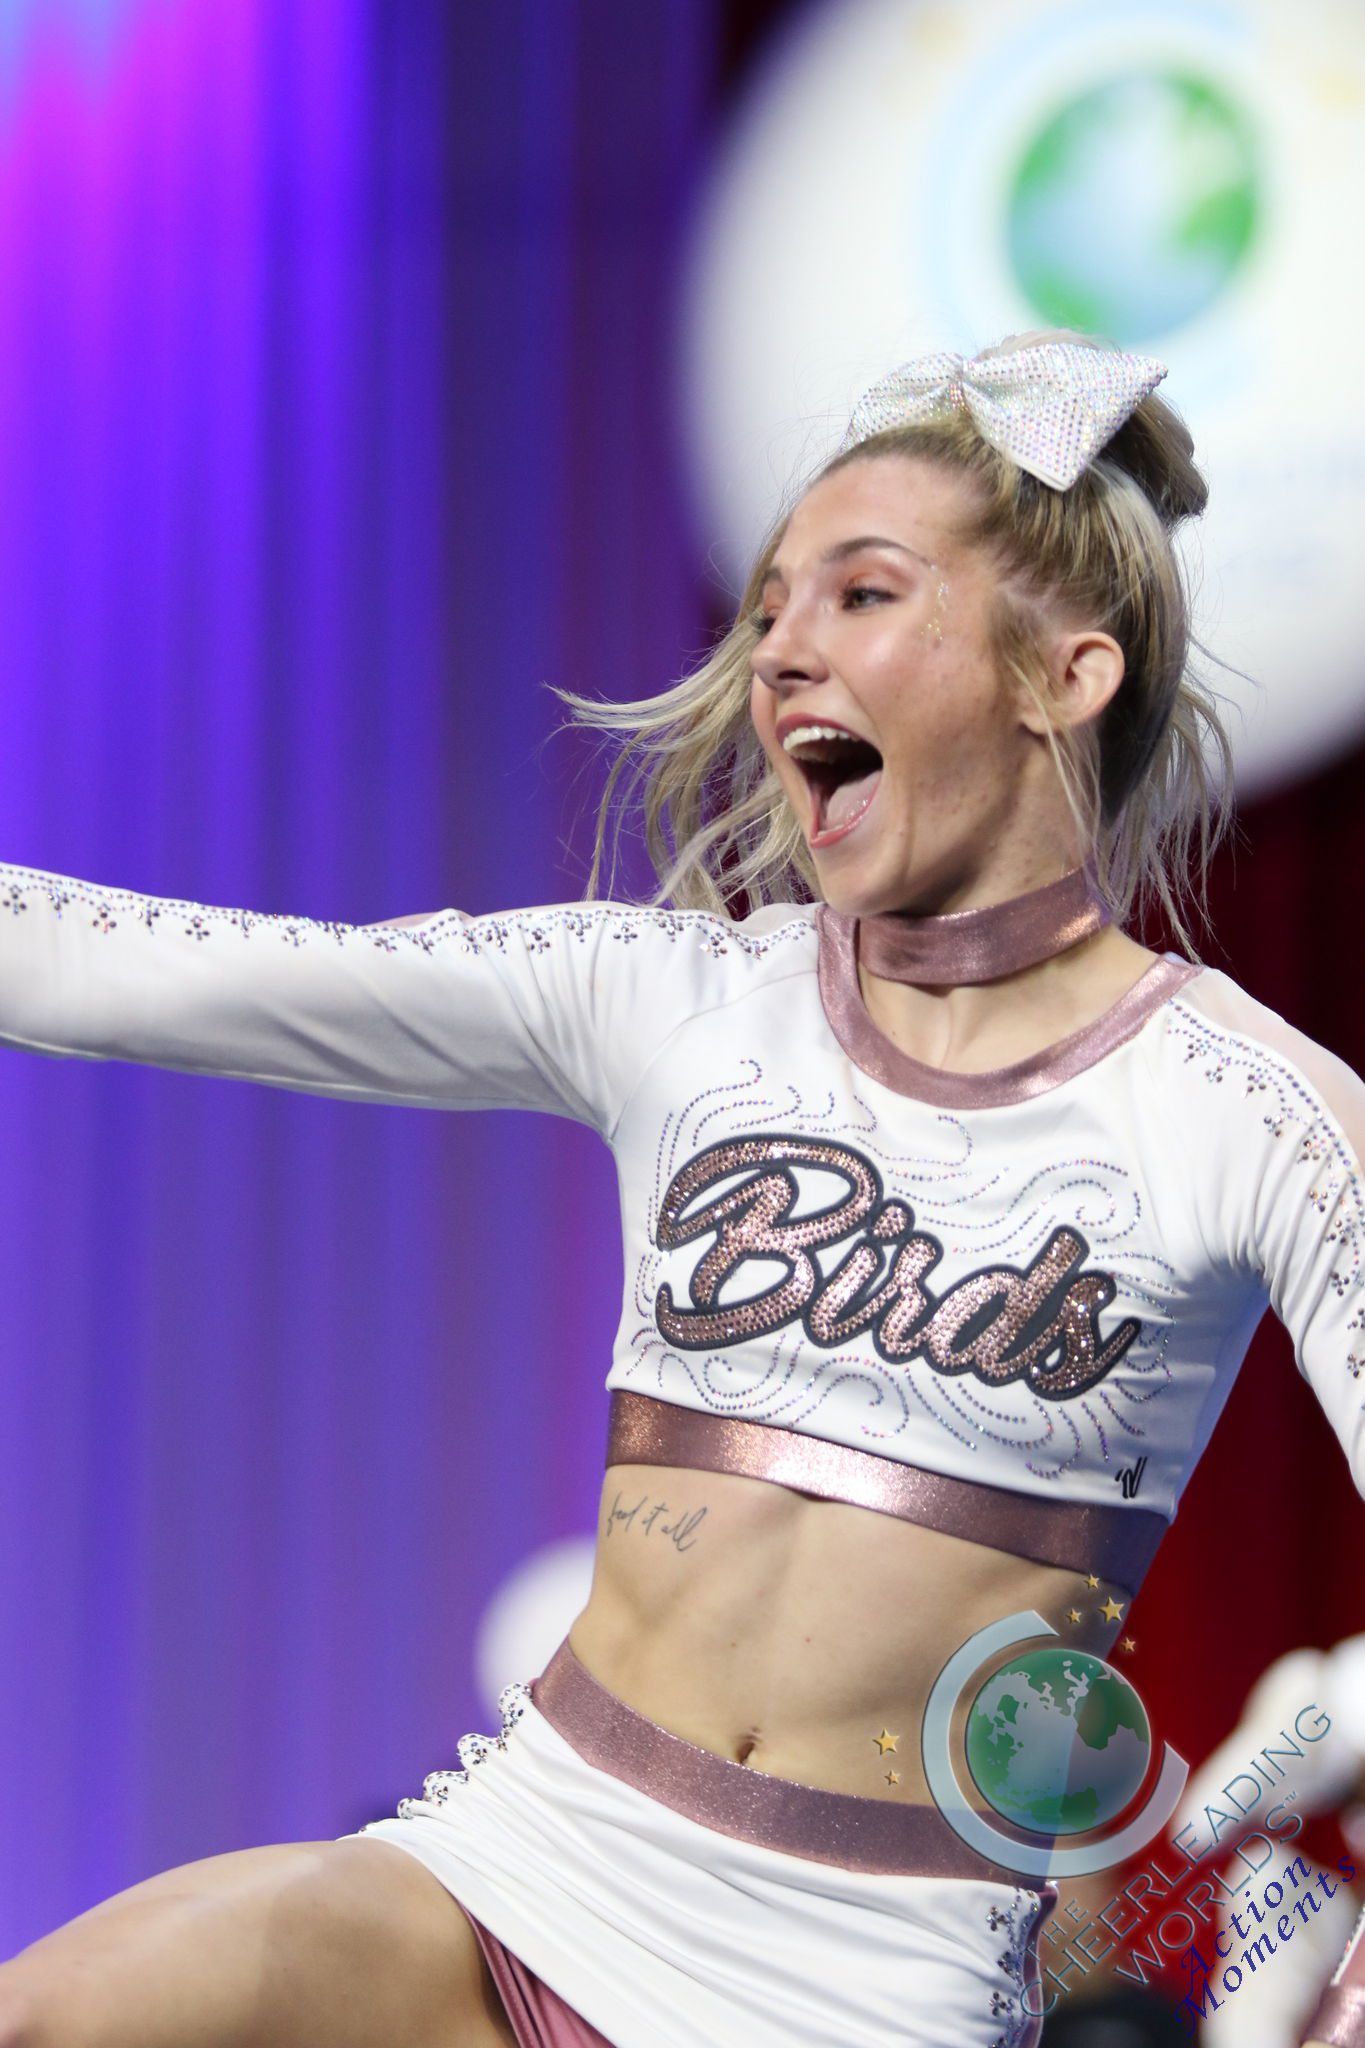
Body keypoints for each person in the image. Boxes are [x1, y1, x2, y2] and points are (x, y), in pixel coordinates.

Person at [0, 329, 1358, 2048]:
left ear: (1061, 677)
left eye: (861, 595)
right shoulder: (683, 999)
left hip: (864, 1993)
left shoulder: (1247, 1109)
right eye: (770, 602)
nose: (781, 645)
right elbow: (143, 973)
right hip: (519, 1863)